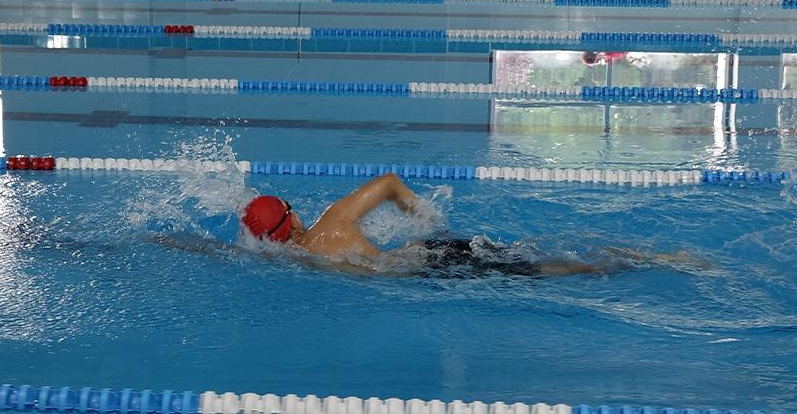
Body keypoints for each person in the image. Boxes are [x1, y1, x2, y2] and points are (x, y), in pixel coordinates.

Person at [241, 174, 627, 277]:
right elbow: (390, 181)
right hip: (431, 258)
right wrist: (422, 214)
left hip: (424, 270)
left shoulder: (295, 260)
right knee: (534, 264)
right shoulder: (332, 221)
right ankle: (624, 260)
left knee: (531, 265)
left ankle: (618, 261)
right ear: (291, 218)